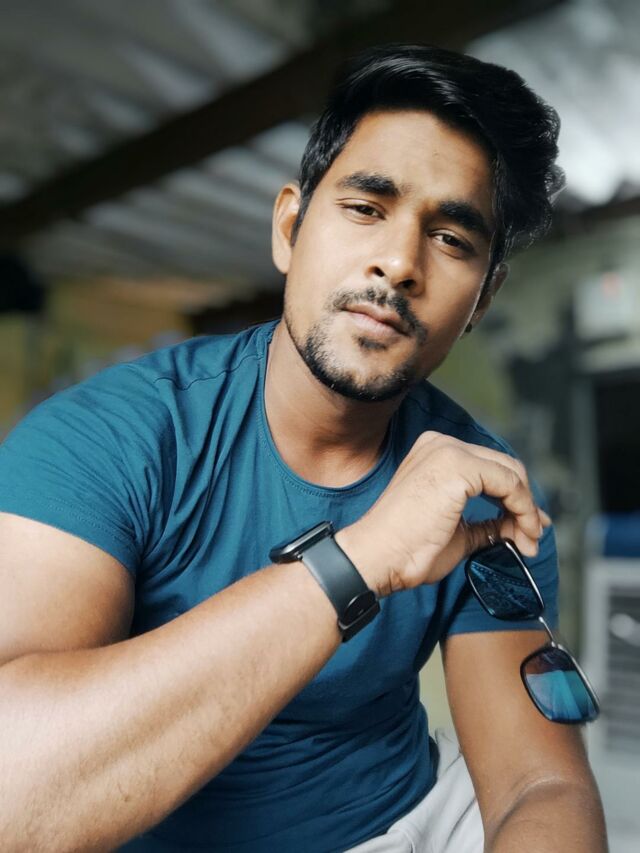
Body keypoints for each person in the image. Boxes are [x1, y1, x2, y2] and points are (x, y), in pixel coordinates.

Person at [0, 44, 607, 853]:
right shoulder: (107, 436)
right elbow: (14, 800)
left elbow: (540, 784)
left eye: (451, 238)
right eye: (365, 207)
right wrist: (360, 559)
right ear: (289, 228)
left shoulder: (482, 487)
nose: (400, 262)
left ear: (483, 301)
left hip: (399, 827)